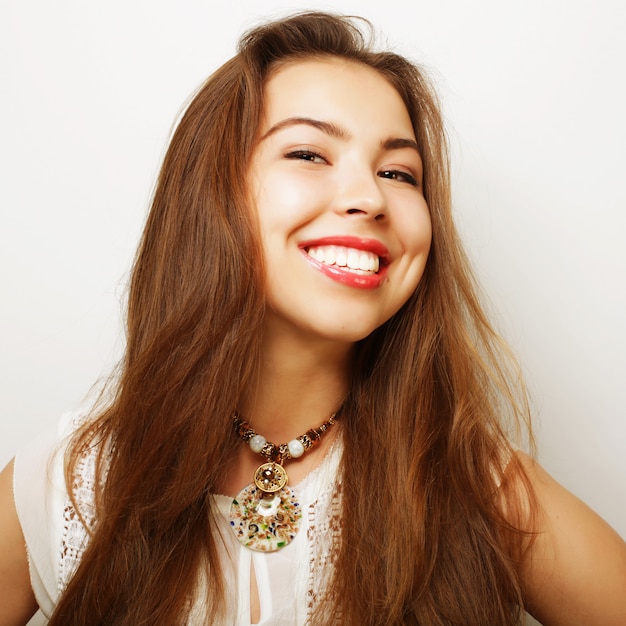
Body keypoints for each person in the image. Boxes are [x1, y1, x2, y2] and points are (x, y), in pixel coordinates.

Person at [1, 10, 625, 626]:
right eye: (308, 153)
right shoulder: (66, 486)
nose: (369, 197)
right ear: (211, 195)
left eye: (398, 172)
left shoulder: (476, 484)